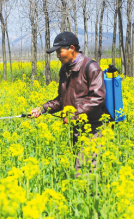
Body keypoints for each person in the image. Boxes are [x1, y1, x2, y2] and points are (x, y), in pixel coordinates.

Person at [30, 31, 109, 177]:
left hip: (92, 129)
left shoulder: (91, 68)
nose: (58, 56)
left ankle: (91, 198)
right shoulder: (65, 69)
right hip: (76, 129)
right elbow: (62, 100)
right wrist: (42, 109)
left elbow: (98, 98)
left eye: (60, 52)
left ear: (72, 48)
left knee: (84, 172)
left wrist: (74, 114)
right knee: (79, 168)